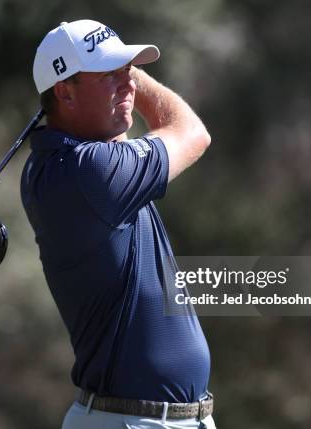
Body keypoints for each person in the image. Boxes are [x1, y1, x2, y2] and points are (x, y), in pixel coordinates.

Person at [21, 19, 214, 429]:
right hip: (130, 422)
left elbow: (113, 135)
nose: (127, 84)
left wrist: (118, 72)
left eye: (128, 72)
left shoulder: (59, 163)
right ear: (64, 92)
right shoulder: (91, 173)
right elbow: (192, 133)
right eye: (111, 75)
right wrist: (138, 78)